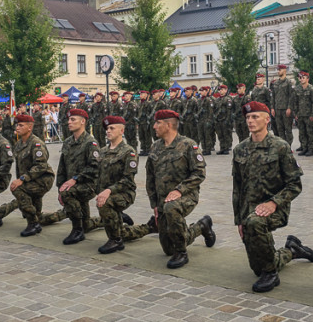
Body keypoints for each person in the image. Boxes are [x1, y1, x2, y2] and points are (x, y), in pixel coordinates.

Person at [233, 102, 313, 293]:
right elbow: (238, 188)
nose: (251, 121)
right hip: (249, 212)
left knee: (256, 225)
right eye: (248, 118)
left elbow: (295, 184)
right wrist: (239, 220)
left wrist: (273, 203)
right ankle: (292, 251)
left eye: (255, 117)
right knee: (257, 268)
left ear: (267, 119)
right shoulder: (240, 149)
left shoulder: (280, 147)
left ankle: (271, 274)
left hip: (275, 208)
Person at [143, 108, 215, 269]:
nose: (154, 126)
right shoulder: (155, 147)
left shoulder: (189, 145)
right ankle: (202, 226)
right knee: (168, 248)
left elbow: (199, 173)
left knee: (171, 208)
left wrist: (179, 190)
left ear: (168, 125)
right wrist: (154, 204)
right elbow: (150, 178)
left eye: (158, 123)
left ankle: (182, 253)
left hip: (186, 196)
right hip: (163, 200)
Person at [83, 115, 139, 253]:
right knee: (123, 231)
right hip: (105, 193)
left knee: (105, 204)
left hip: (123, 193)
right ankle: (141, 226)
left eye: (112, 128)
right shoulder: (102, 151)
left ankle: (116, 240)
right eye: (107, 128)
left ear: (122, 131)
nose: (108, 131)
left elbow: (128, 180)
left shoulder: (128, 152)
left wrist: (108, 191)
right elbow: (95, 174)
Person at [44, 108, 100, 244]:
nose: (69, 122)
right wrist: (60, 188)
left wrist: (75, 180)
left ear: (83, 122)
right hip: (72, 183)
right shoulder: (68, 142)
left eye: (73, 119)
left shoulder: (90, 143)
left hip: (88, 184)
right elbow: (62, 167)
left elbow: (94, 167)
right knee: (86, 224)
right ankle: (106, 220)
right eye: (69, 119)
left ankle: (77, 230)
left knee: (69, 194)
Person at [0, 113, 54, 235]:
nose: (17, 127)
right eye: (17, 125)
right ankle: (36, 220)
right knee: (33, 197)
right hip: (31, 178)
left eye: (21, 125)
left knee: (18, 189)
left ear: (30, 127)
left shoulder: (36, 144)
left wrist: (22, 179)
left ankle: (33, 222)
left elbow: (41, 166)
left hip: (43, 178)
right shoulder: (18, 144)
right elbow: (19, 167)